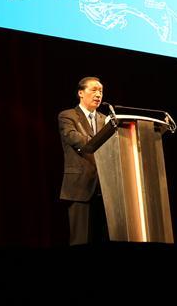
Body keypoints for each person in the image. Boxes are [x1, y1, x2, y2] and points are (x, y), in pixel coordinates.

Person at [58, 76, 109, 244]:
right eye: (93, 90)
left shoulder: (105, 119)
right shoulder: (68, 116)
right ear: (81, 93)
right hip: (80, 187)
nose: (98, 94)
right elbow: (73, 138)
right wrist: (104, 138)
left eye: (100, 91)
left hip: (106, 189)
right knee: (80, 240)